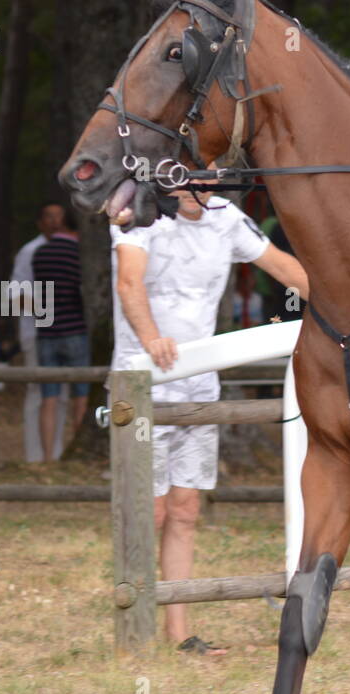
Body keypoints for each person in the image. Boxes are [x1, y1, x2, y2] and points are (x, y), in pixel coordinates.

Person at [112, 189, 309, 654]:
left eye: (200, 171)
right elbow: (128, 283)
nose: (187, 182)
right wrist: (151, 338)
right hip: (144, 381)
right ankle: (135, 627)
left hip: (199, 383)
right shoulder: (140, 211)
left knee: (185, 510)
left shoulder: (226, 217)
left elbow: (284, 269)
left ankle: (178, 633)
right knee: (151, 512)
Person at [31, 206, 89, 460]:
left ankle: (47, 456)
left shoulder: (39, 254)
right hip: (75, 327)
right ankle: (77, 450)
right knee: (81, 397)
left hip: (47, 330)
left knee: (49, 398)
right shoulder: (79, 253)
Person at [13, 202, 66, 462]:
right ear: (40, 222)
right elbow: (15, 295)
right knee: (39, 392)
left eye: (59, 217)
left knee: (63, 394)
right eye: (49, 217)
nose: (55, 222)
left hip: (65, 332)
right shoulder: (30, 252)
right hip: (36, 331)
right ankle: (36, 456)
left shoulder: (71, 249)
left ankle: (56, 452)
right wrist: (49, 307)